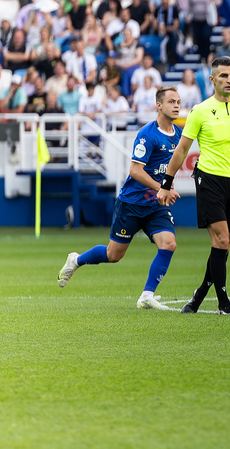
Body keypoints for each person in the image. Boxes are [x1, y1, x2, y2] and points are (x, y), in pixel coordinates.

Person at [158, 56, 230, 315]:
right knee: (221, 239)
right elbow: (181, 150)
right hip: (209, 180)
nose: (229, 80)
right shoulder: (200, 111)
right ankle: (224, 303)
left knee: (224, 246)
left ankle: (198, 296)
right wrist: (166, 182)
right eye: (223, 76)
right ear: (212, 80)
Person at [57, 87, 183, 310]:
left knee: (169, 244)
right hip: (132, 203)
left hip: (155, 204)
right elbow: (135, 171)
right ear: (159, 105)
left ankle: (146, 295)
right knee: (113, 254)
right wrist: (162, 187)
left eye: (178, 101)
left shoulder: (180, 135)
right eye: (171, 101)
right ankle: (75, 260)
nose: (176, 105)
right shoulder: (148, 134)